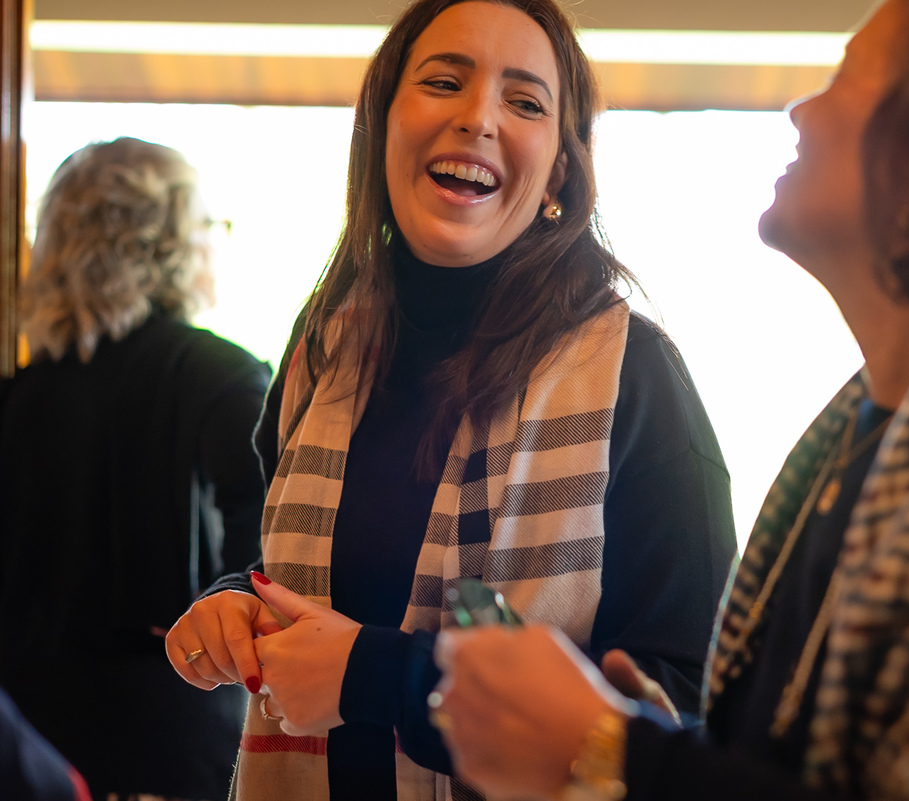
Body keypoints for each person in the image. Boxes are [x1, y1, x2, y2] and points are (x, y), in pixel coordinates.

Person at [430, 0, 909, 798]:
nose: (804, 109)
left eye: (848, 77)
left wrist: (606, 754)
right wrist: (668, 741)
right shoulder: (876, 414)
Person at [164, 0, 736, 799]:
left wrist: (378, 676)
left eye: (525, 100)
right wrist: (232, 609)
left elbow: (691, 702)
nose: (478, 118)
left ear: (559, 175)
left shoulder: (632, 372)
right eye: (443, 82)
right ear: (383, 128)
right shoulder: (324, 349)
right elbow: (293, 571)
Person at [0, 138, 270, 800]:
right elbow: (274, 553)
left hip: (27, 742)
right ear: (172, 242)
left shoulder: (14, 396)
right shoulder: (224, 375)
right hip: (179, 736)